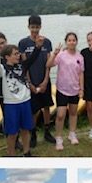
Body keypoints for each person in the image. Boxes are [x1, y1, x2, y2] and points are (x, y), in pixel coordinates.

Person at [0, 35, 43, 157]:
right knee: (12, 133)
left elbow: (32, 59)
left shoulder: (22, 66)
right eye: (15, 54)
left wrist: (38, 46)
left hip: (25, 102)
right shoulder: (3, 70)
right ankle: (11, 155)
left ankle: (27, 152)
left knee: (26, 129)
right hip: (11, 105)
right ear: (7, 57)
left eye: (18, 53)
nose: (18, 55)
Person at [19, 15, 55, 147]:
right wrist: (30, 84)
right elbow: (25, 65)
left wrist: (46, 80)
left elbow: (48, 63)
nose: (35, 30)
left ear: (40, 27)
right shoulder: (23, 43)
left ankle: (47, 131)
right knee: (33, 110)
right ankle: (33, 134)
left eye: (37, 27)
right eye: (32, 27)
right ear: (28, 27)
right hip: (31, 82)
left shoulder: (47, 42)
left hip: (44, 79)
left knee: (46, 107)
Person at [45, 32, 84, 149]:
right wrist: (54, 54)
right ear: (66, 42)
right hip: (62, 89)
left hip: (75, 90)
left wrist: (81, 89)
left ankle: (72, 134)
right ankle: (59, 138)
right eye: (69, 40)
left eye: (74, 40)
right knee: (61, 115)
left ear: (76, 42)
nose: (72, 42)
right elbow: (48, 64)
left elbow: (81, 74)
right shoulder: (61, 55)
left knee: (73, 113)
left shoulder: (80, 57)